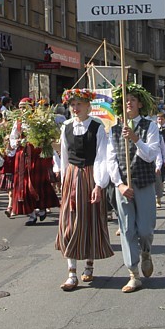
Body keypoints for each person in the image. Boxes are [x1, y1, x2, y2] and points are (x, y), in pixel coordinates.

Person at [55, 89, 113, 291]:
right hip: (72, 176)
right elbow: (63, 155)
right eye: (72, 105)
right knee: (69, 223)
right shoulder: (66, 127)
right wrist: (63, 181)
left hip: (90, 175)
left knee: (88, 220)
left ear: (88, 107)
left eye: (79, 104)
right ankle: (71, 272)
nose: (75, 108)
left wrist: (99, 184)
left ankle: (89, 263)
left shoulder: (97, 127)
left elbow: (102, 156)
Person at [107, 83, 160, 293]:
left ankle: (146, 251)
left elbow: (151, 155)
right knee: (127, 229)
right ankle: (133, 273)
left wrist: (136, 139)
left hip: (144, 182)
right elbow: (111, 159)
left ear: (139, 103)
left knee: (145, 229)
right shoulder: (114, 129)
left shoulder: (150, 126)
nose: (128, 103)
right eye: (125, 100)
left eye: (132, 100)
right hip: (124, 186)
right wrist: (119, 184)